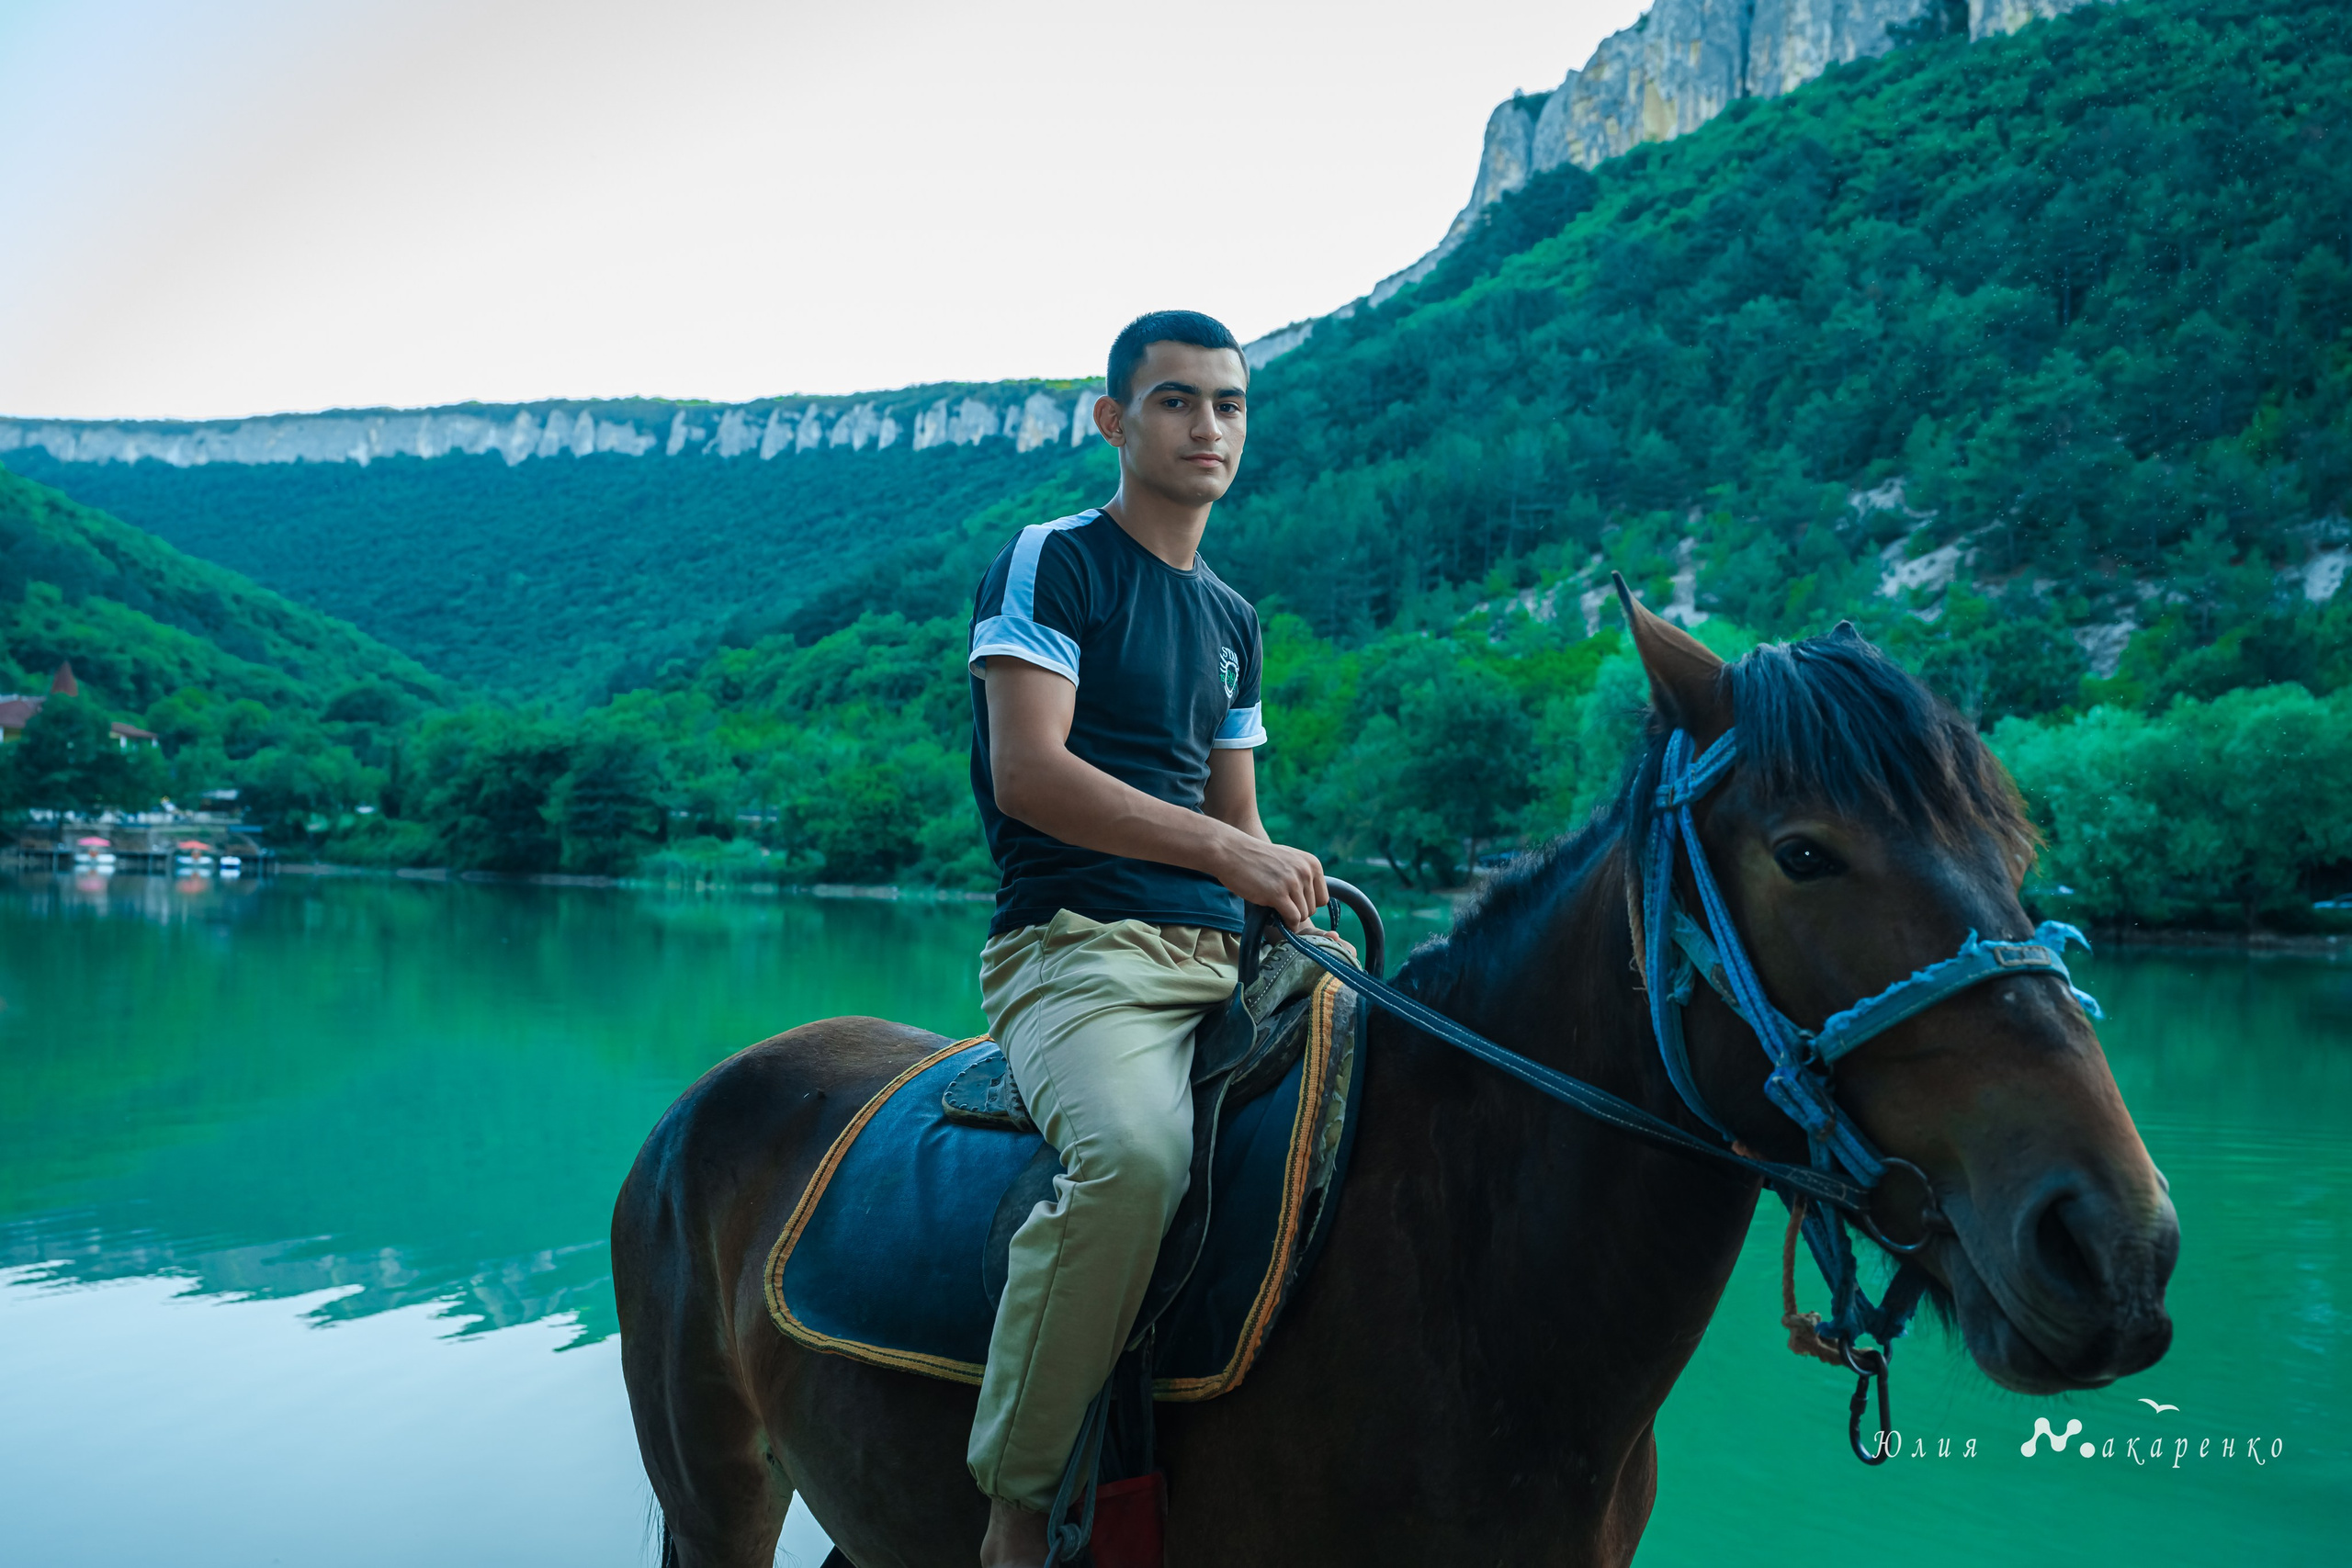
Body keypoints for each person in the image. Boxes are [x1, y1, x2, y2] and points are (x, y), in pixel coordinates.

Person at [964, 310, 1329, 1565]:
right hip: (1078, 952)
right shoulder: (1055, 561)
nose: (1208, 426)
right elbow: (1029, 773)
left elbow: (1240, 818)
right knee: (1132, 1160)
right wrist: (1230, 855)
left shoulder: (1233, 617)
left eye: (1229, 404)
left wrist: (1278, 883)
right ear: (1116, 422)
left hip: (1222, 956)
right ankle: (1020, 1504)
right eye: (1176, 401)